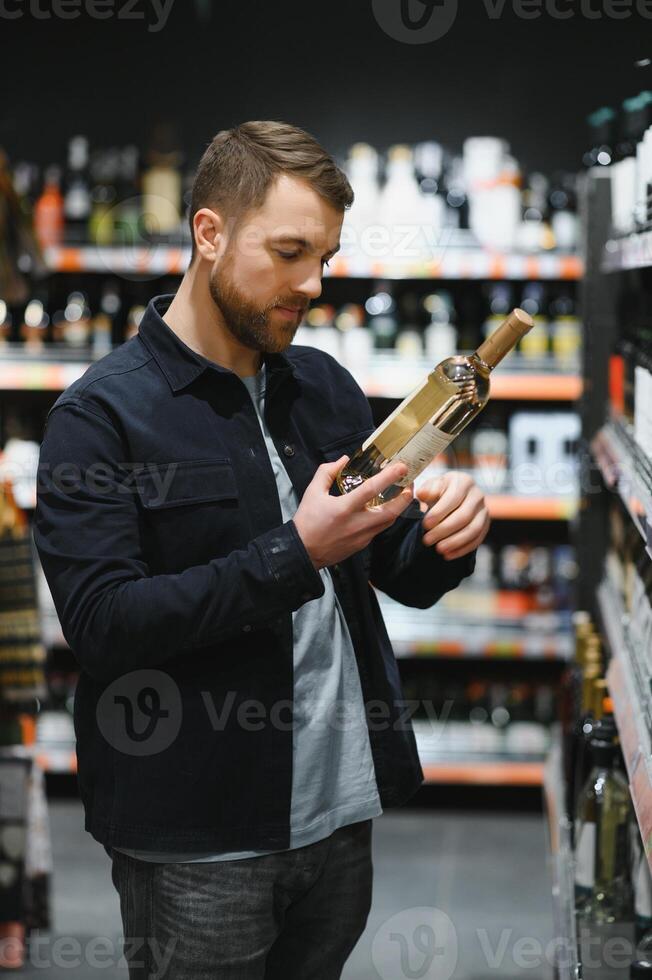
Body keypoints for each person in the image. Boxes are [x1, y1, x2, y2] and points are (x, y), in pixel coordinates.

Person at [33, 121, 490, 979]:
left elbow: (397, 571)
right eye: (288, 253)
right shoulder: (98, 420)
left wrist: (447, 536)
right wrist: (296, 552)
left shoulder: (324, 386)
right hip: (200, 841)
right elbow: (103, 627)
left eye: (324, 256)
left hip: (339, 816)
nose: (313, 283)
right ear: (209, 234)